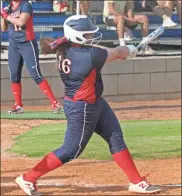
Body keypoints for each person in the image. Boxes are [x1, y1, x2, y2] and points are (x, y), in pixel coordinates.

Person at [15, 15, 162, 195]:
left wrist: (123, 52)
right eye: (87, 35)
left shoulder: (66, 47)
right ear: (77, 36)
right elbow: (116, 52)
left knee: (115, 137)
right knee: (71, 150)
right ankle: (28, 178)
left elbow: (102, 51)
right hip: (82, 108)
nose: (91, 38)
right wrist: (130, 49)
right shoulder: (89, 56)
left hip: (95, 102)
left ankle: (136, 182)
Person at [0, 0, 62, 114]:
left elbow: (21, 22)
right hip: (14, 45)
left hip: (27, 43)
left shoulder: (26, 5)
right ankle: (18, 105)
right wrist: (2, 16)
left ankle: (55, 103)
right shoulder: (8, 7)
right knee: (14, 75)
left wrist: (6, 15)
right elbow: (4, 29)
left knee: (36, 75)